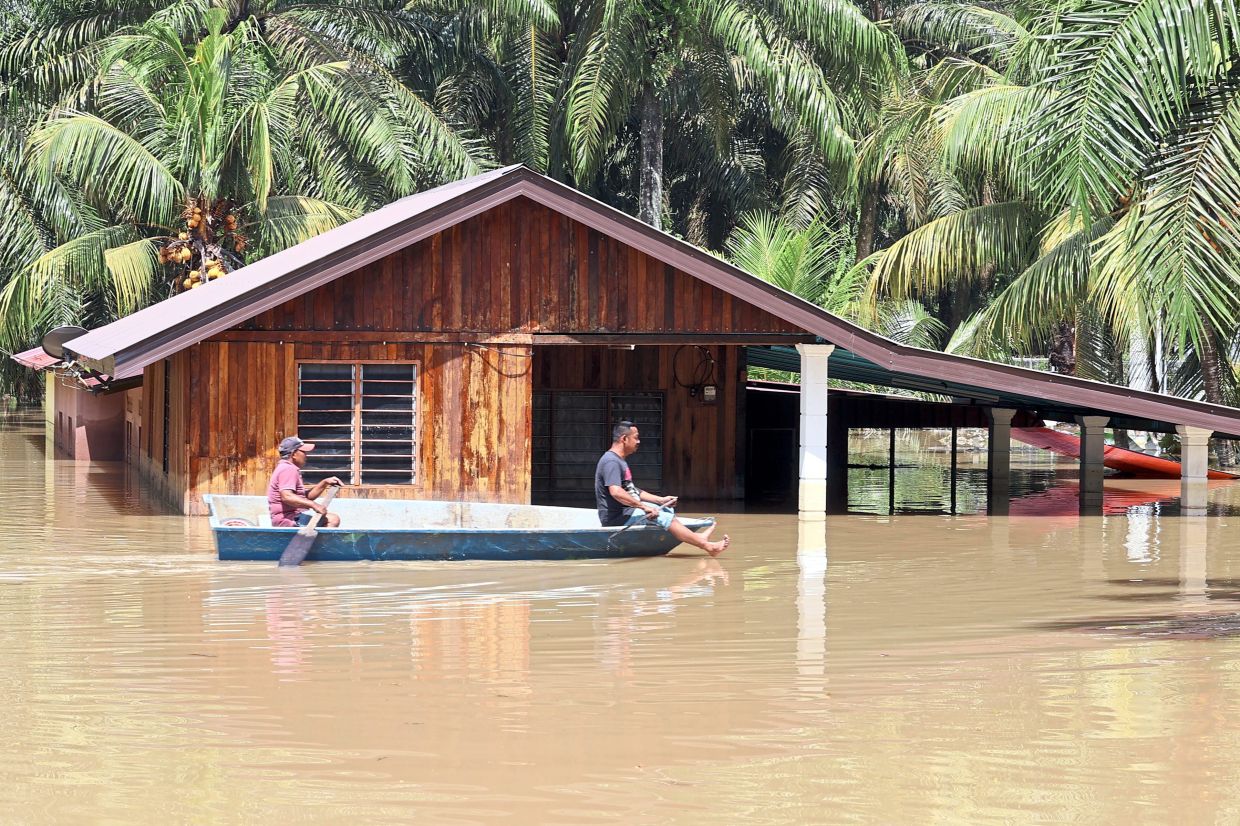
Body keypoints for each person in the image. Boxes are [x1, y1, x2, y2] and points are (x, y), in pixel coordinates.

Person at [594, 421, 729, 556]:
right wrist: (643, 507)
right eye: (636, 437)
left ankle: (699, 539)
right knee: (662, 516)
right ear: (624, 439)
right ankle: (707, 546)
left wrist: (661, 500)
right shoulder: (611, 462)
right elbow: (616, 492)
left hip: (627, 511)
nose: (639, 441)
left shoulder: (619, 461)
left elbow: (633, 491)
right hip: (616, 517)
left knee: (666, 508)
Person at [268, 435, 343, 528]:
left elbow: (304, 497)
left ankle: (313, 542)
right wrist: (314, 505)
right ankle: (316, 543)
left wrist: (324, 483)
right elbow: (287, 496)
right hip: (289, 519)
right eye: (303, 452)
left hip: (294, 516)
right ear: (294, 454)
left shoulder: (287, 468)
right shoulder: (288, 469)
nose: (306, 455)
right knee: (333, 519)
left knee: (329, 518)